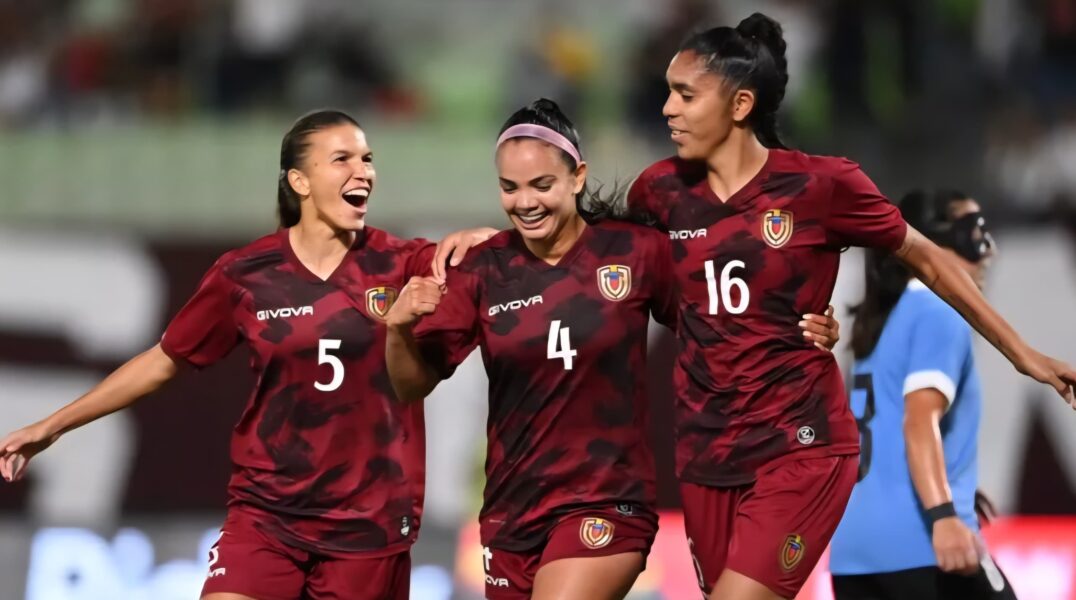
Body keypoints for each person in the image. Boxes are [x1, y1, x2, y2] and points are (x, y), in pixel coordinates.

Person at [433, 13, 1074, 600]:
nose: (667, 108)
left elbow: (928, 257)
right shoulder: (661, 191)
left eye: (686, 94)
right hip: (708, 455)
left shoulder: (823, 186)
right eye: (668, 91)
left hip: (799, 443)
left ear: (739, 105)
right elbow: (585, 242)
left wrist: (1022, 353)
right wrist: (500, 239)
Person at [0, 110, 491, 600]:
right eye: (341, 159)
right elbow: (162, 361)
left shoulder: (403, 261)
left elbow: (492, 258)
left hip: (368, 526)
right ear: (300, 180)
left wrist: (483, 238)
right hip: (268, 515)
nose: (362, 171)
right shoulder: (245, 274)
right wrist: (52, 427)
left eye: (367, 159)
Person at [384, 99, 841, 600]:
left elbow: (725, 307)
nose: (525, 202)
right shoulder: (482, 269)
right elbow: (410, 384)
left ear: (578, 177)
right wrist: (399, 330)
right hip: (511, 514)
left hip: (606, 502)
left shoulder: (636, 251)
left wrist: (807, 320)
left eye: (542, 185)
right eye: (509, 188)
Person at [829, 190, 1017, 599]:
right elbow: (917, 421)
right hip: (919, 541)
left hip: (852, 551)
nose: (990, 250)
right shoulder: (939, 310)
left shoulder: (879, 320)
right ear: (934, 241)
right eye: (975, 232)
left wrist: (951, 480)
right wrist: (943, 512)